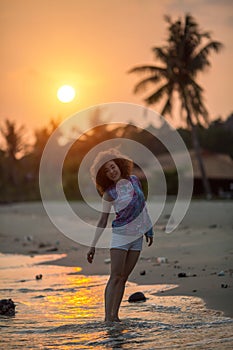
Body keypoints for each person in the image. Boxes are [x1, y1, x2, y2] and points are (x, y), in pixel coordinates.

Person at [87, 148, 154, 323]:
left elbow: (142, 206)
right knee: (115, 276)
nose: (111, 172)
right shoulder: (109, 194)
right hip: (121, 236)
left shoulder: (134, 180)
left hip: (137, 237)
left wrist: (149, 229)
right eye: (107, 171)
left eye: (112, 167)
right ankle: (107, 318)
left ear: (119, 165)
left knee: (123, 278)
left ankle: (115, 316)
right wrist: (92, 245)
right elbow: (102, 220)